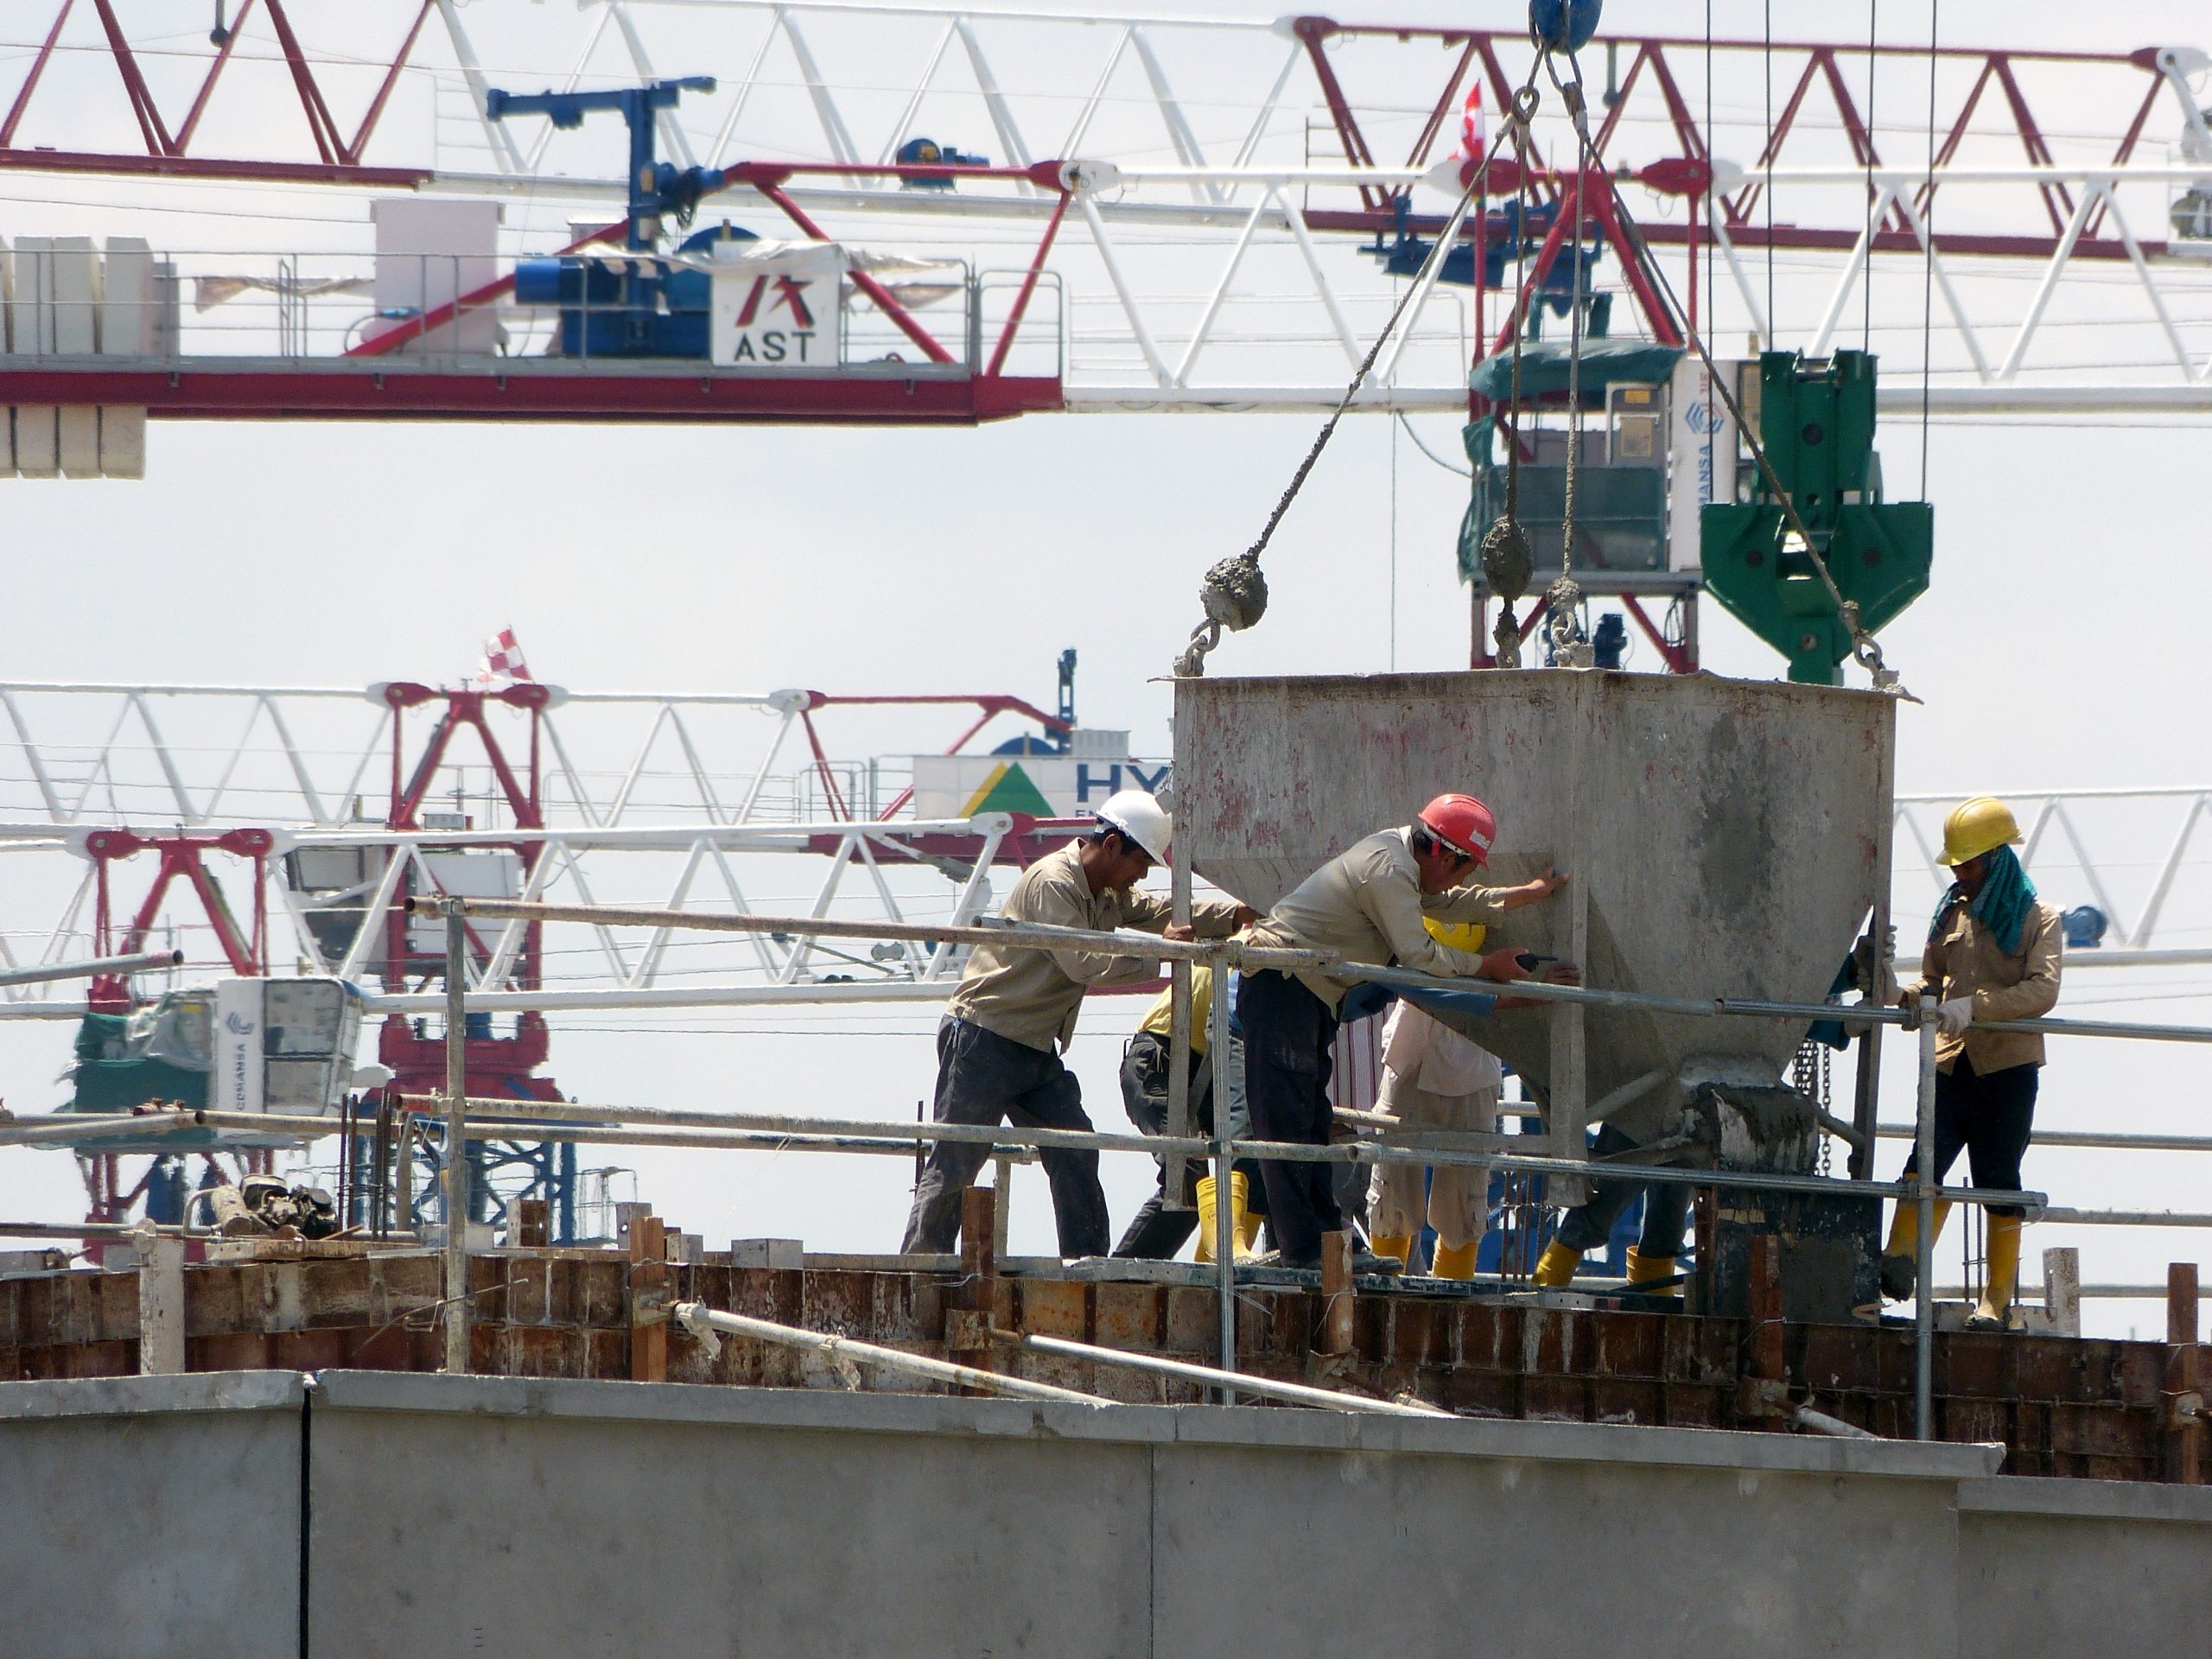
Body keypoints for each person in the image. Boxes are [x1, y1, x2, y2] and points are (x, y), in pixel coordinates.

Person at [899, 789, 1255, 1259]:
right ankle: (922, 1266)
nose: (1142, 875)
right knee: (959, 1156)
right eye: (1140, 864)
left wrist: (1234, 916)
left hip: (1033, 1047)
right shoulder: (1054, 882)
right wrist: (1165, 954)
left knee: (1075, 1148)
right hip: (985, 1038)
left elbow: (1158, 913)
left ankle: (1086, 1264)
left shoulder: (1104, 889)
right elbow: (1085, 964)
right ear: (1111, 847)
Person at [1236, 792, 1576, 1273]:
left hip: (1307, 993)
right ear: (1439, 850)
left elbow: (1449, 901)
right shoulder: (1387, 869)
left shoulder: (1404, 863)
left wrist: (1522, 895)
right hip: (1281, 985)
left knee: (1311, 1119)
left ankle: (1329, 1244)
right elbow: (1419, 956)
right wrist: (1487, 966)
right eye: (1463, 866)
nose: (1462, 879)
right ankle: (1304, 1250)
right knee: (1287, 1122)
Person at [1878, 795, 2063, 1331]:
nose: (1962, 874)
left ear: (1998, 860)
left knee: (1997, 1175)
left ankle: (1996, 1299)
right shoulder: (1951, 915)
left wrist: (1974, 1008)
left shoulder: (2040, 919)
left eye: (1971, 864)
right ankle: (1899, 1261)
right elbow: (1933, 982)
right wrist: (1904, 995)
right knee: (1924, 1161)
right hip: (1952, 1061)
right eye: (1957, 865)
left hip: (2007, 1068)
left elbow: (2042, 991)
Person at [1367, 919, 1524, 1281]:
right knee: (1391, 1193)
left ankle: (1452, 1308)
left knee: (1464, 1204)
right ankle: (1378, 1298)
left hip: (1473, 1058)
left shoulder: (1493, 905)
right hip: (1412, 1051)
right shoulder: (1413, 884)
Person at [1109, 962, 1268, 1262]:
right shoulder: (1245, 947)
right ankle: (1129, 1269)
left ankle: (1210, 1260)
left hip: (1202, 1070)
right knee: (1186, 1177)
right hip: (1160, 1059)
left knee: (1252, 1161)